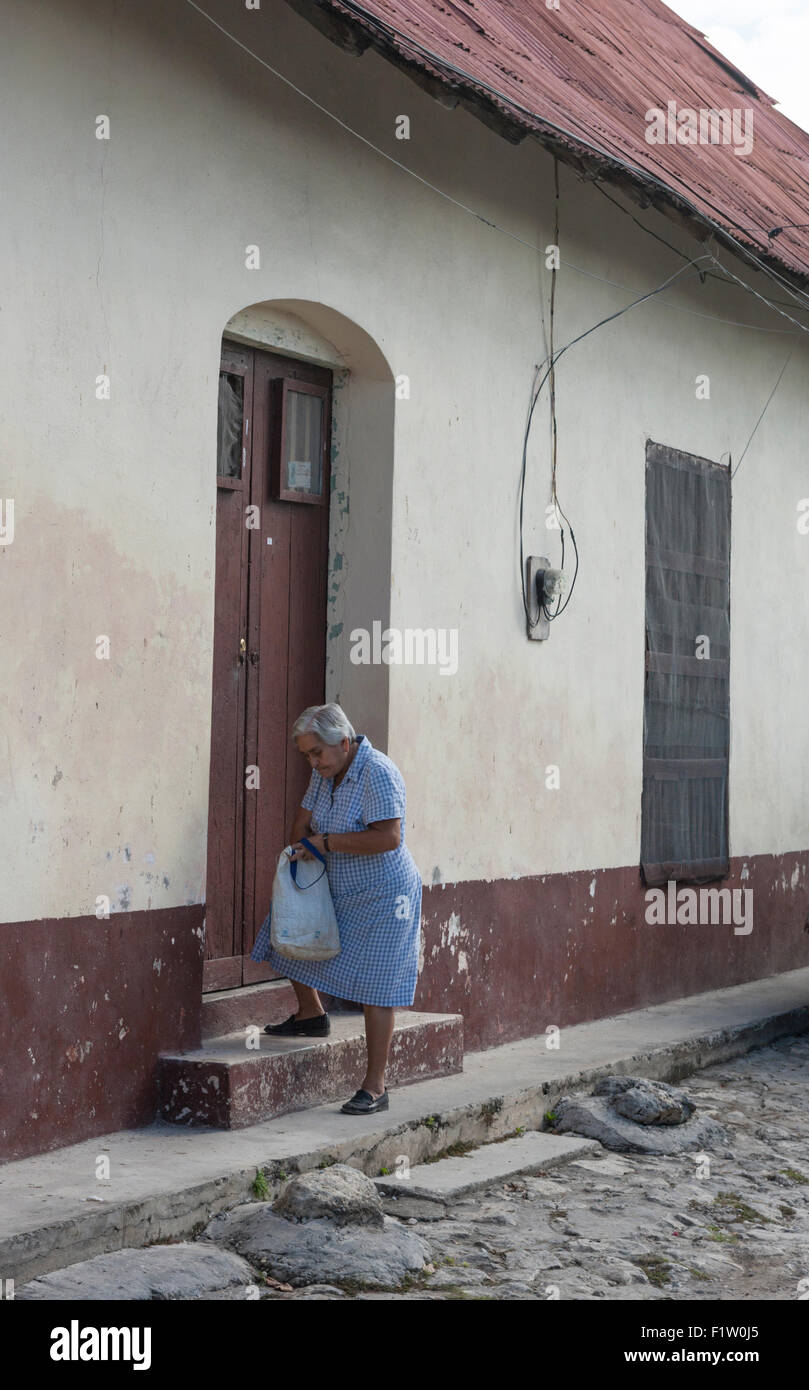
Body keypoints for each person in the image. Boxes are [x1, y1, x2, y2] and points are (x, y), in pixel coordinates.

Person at [251, 703, 422, 1115]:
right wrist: (298, 856)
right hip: (337, 884)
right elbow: (303, 820)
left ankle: (375, 1087)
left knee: (378, 989)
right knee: (286, 932)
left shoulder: (377, 771)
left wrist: (325, 844)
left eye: (317, 753)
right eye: (307, 754)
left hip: (385, 895)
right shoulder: (325, 773)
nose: (313, 762)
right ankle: (311, 1013)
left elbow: (389, 838)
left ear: (344, 743)